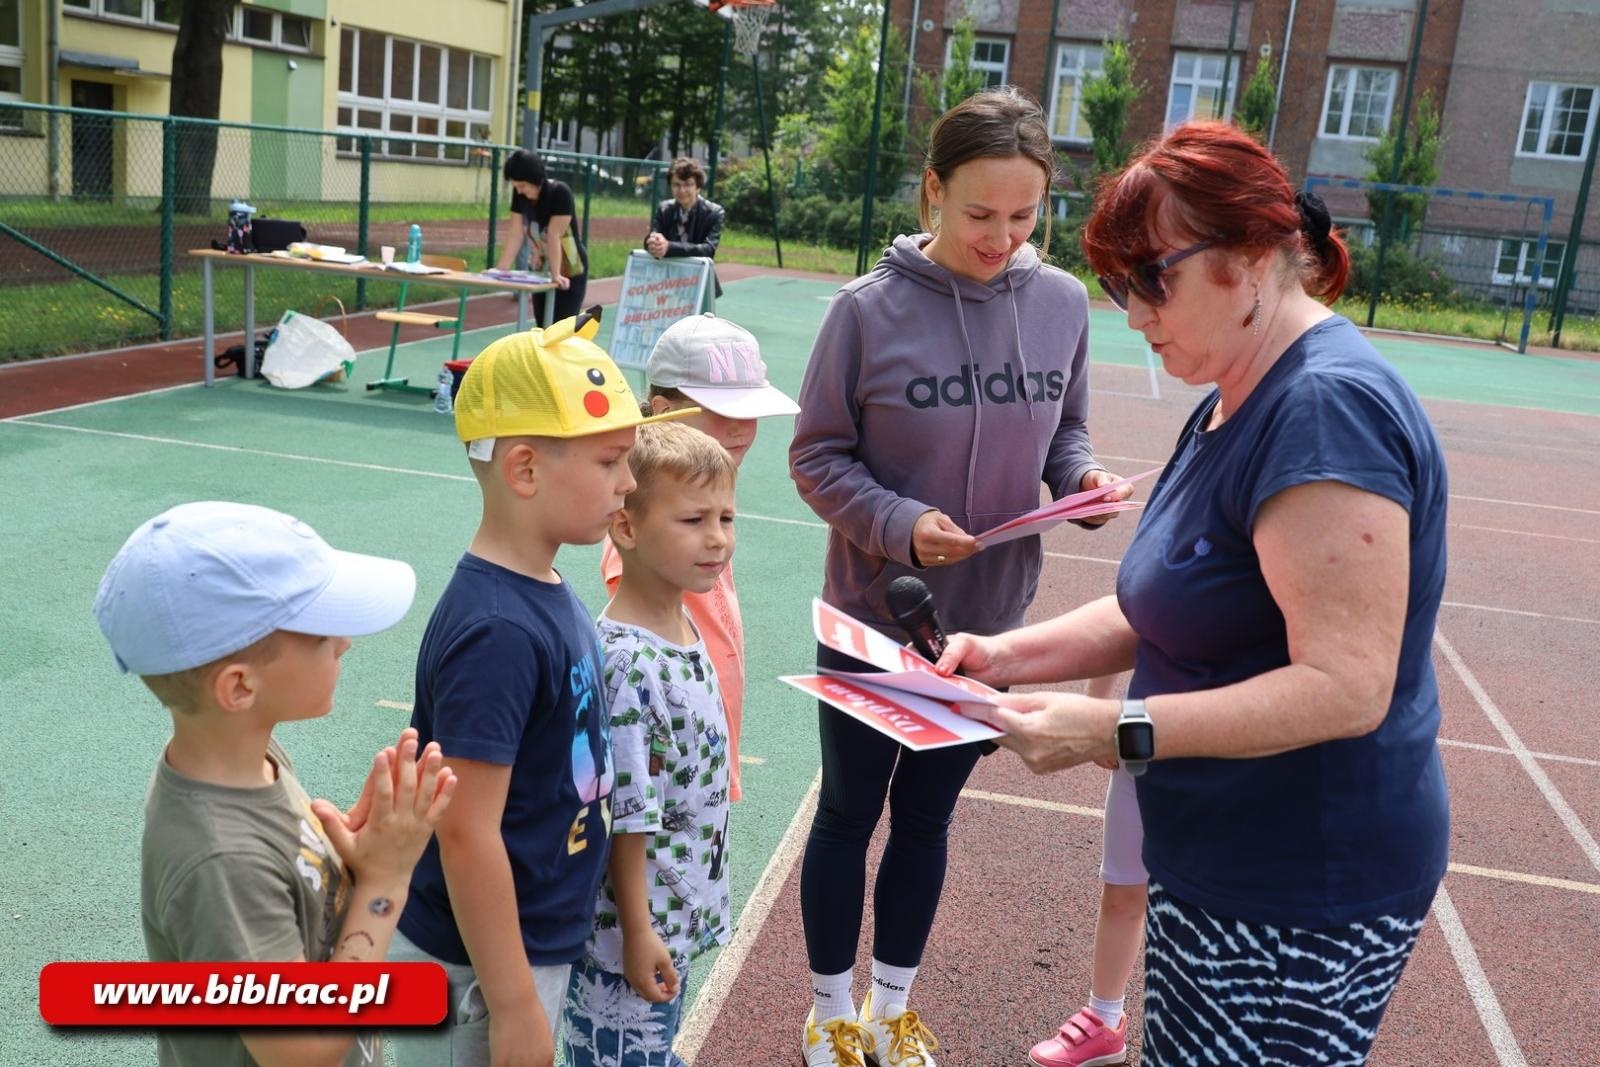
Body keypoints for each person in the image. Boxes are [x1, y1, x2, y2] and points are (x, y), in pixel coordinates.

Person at [939, 120, 1450, 1067]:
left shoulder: (1323, 409)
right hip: (1222, 857)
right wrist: (1004, 654)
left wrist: (1116, 730)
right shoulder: (1234, 392)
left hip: (1296, 884)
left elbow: (1347, 686)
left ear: (1250, 259)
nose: (1133, 313)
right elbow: (1161, 604)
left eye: (1152, 279)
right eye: (1117, 285)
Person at [787, 86, 1129, 1067]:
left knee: (927, 818)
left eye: (1024, 217)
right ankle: (829, 1011)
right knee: (848, 812)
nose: (1001, 237)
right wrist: (898, 524)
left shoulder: (1060, 302)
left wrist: (1082, 483)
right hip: (873, 615)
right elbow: (816, 456)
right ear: (932, 190)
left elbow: (1065, 430)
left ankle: (890, 1008)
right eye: (980, 212)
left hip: (991, 628)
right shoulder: (864, 312)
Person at [389, 312, 695, 1067]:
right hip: (476, 970)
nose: (629, 481)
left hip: (518, 949)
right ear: (524, 469)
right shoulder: (498, 630)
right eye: (611, 460)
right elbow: (466, 831)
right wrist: (515, 1002)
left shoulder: (543, 586)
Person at [92, 500, 457, 1067]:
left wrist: (353, 860)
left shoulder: (249, 757)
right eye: (319, 632)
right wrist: (385, 883)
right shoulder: (220, 861)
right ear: (239, 688)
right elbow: (302, 1049)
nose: (344, 642)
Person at [565, 422, 739, 1067]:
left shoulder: (682, 623)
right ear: (626, 528)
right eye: (694, 519)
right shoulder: (630, 664)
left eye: (725, 517)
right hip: (629, 937)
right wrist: (637, 933)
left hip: (672, 915)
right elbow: (626, 812)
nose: (717, 538)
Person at [600, 312, 800, 804]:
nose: (740, 429)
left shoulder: (698, 500)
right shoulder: (647, 521)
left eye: (749, 411)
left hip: (705, 751)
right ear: (664, 410)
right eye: (720, 411)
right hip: (675, 765)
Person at [1026, 671, 1147, 1067]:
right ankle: (1105, 1021)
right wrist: (1095, 713)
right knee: (1122, 892)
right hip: (1143, 739)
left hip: (1233, 755)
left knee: (1211, 907)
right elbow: (1121, 633)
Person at [494, 148, 588, 323]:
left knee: (561, 327)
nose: (519, 191)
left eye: (522, 185)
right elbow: (515, 233)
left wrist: (556, 274)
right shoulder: (520, 195)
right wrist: (500, 270)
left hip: (569, 267)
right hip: (540, 267)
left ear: (535, 178)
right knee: (542, 326)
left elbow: (554, 234)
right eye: (516, 186)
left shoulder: (560, 192)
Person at [644, 156, 726, 301]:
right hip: (667, 282)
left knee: (699, 317)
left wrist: (669, 247)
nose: (682, 190)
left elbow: (708, 250)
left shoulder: (714, 213)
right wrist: (652, 243)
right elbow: (653, 236)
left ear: (698, 187)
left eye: (688, 184)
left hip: (700, 282)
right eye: (676, 184)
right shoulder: (664, 209)